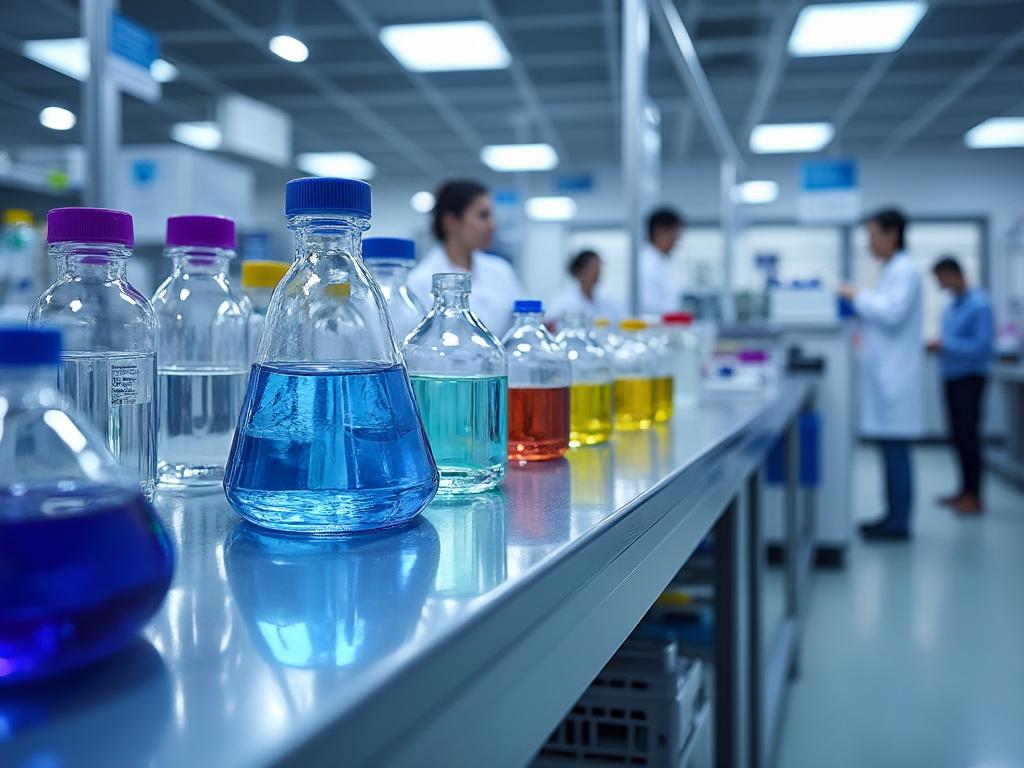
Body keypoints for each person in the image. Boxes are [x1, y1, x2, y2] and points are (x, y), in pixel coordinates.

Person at [838, 208, 923, 541]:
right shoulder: (892, 270)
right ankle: (892, 516)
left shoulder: (905, 270)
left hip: (896, 378)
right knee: (890, 454)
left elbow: (891, 313)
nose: (868, 243)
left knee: (896, 453)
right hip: (887, 376)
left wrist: (856, 295)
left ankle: (898, 522)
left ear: (892, 235)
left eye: (872, 235)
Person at [409, 179, 525, 339]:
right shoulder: (419, 282)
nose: (493, 225)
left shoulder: (500, 270)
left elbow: (524, 322)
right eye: (483, 216)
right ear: (450, 222)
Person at [928, 256, 994, 515]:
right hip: (952, 377)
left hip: (970, 378)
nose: (939, 284)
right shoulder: (952, 305)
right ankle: (964, 490)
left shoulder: (979, 304)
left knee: (969, 437)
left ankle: (975, 496)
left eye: (940, 278)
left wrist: (946, 346)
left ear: (953, 274)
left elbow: (983, 346)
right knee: (958, 437)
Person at [548, 249, 623, 323]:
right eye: (591, 267)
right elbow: (552, 328)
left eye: (598, 267)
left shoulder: (609, 302)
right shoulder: (562, 303)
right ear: (579, 270)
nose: (596, 272)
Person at [639, 207, 685, 316]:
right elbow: (649, 307)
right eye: (675, 233)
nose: (677, 239)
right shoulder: (646, 263)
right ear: (660, 231)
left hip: (668, 328)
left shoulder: (665, 261)